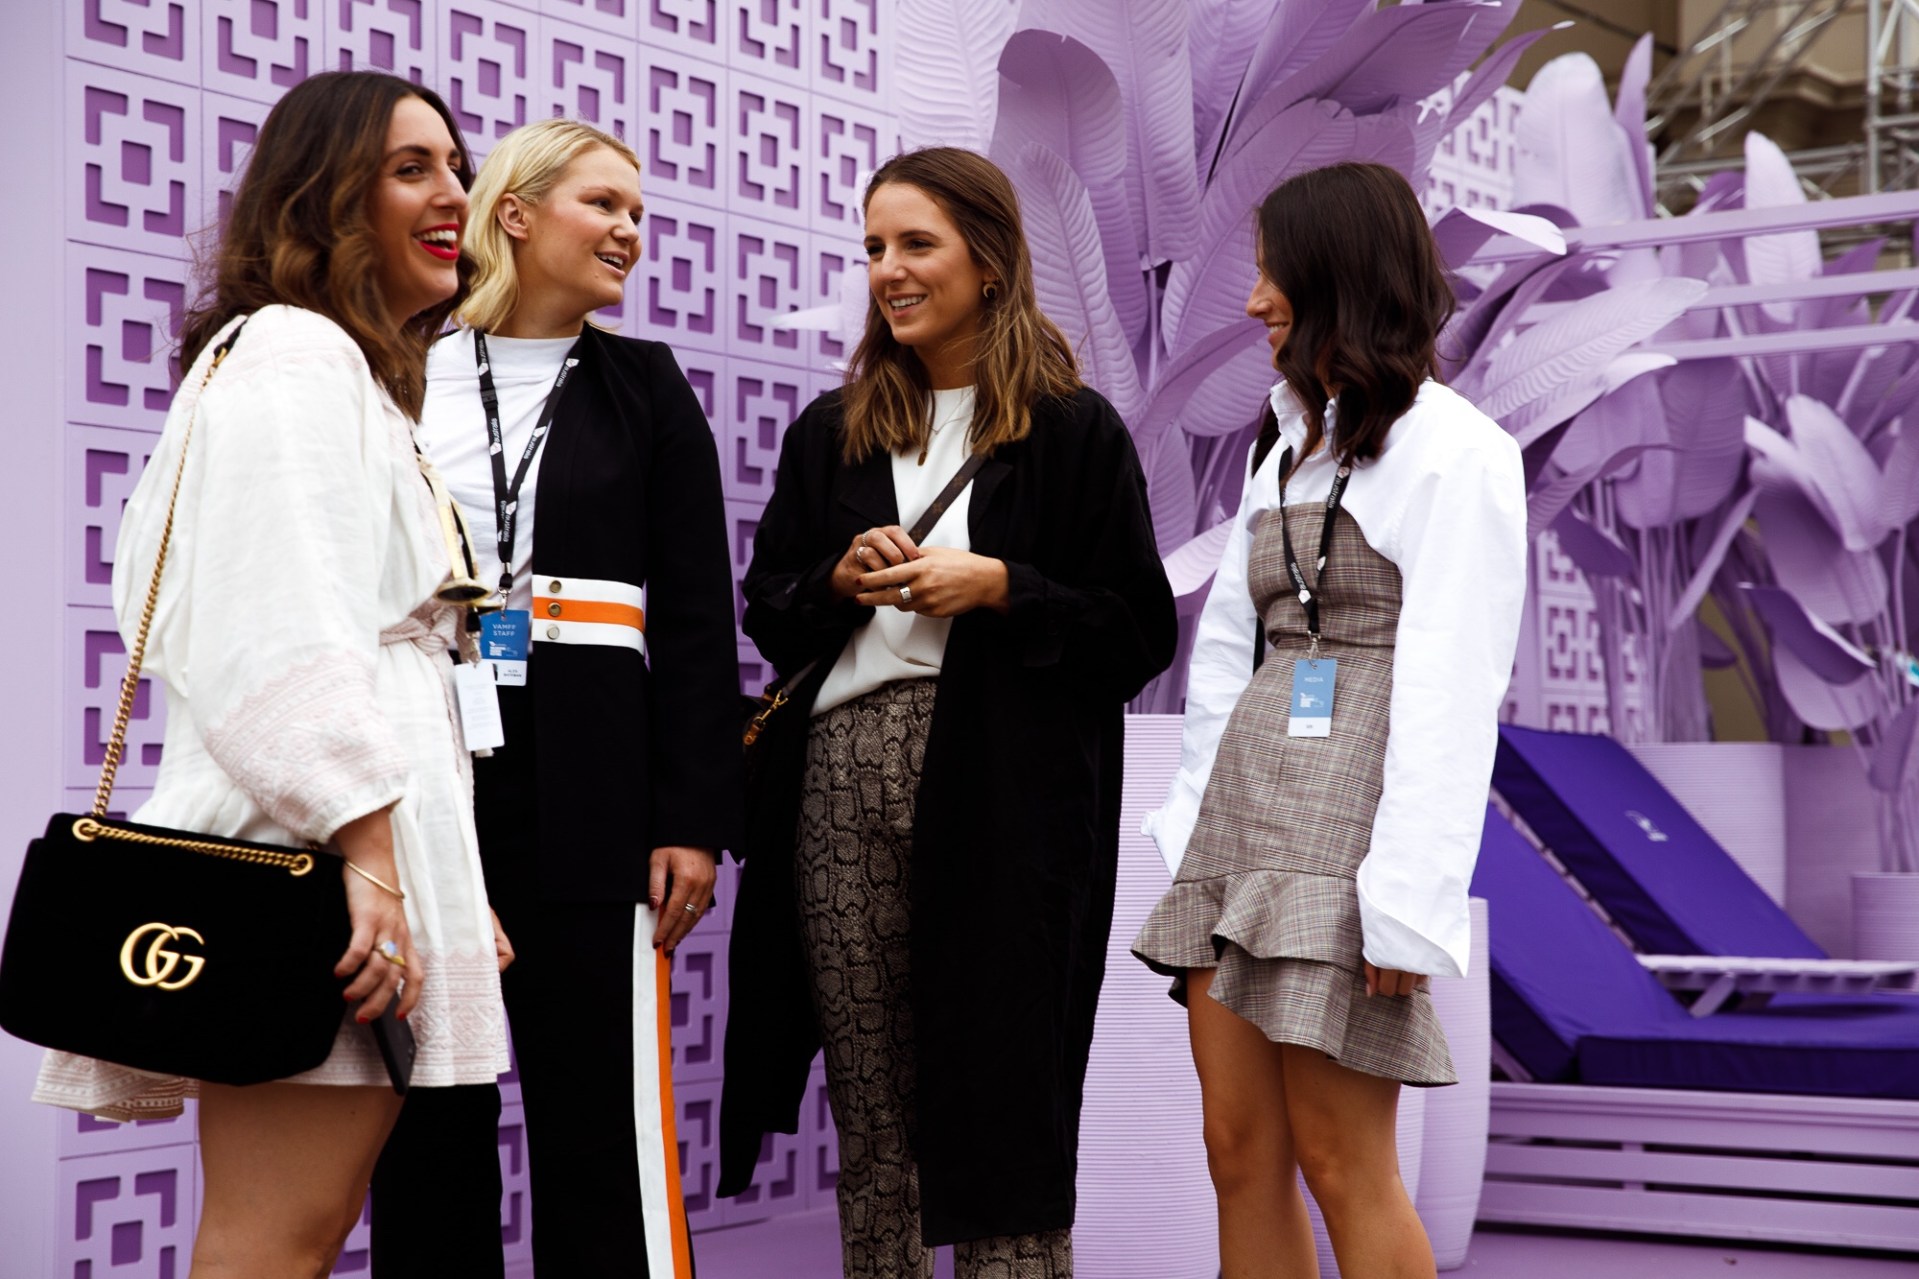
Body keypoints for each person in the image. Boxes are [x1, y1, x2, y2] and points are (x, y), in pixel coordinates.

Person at [30, 71, 511, 1276]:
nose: (454, 194)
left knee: (298, 1232)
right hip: (319, 856)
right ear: (322, 196)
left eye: (456, 167)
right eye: (411, 168)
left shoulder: (339, 371)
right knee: (274, 1241)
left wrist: (437, 875)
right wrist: (374, 855)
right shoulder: (294, 355)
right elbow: (277, 624)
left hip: (355, 845)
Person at [719, 146, 1177, 1279]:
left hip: (1004, 780)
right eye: (874, 247)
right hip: (841, 771)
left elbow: (1135, 632)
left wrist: (1002, 586)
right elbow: (770, 605)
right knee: (871, 1096)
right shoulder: (833, 431)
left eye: (915, 243)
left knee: (1006, 1083)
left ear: (988, 260)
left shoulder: (1071, 432)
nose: (888, 269)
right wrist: (837, 578)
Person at [1132, 161, 1528, 1279]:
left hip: (1348, 843)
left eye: (1274, 274)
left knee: (1342, 1160)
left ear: (1338, 277)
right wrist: (1190, 829)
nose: (1253, 298)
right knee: (1236, 1150)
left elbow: (1452, 692)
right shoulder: (1286, 446)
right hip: (1241, 824)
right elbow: (1228, 653)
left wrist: (1405, 903)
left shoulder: (1457, 450)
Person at [367, 117, 742, 1278]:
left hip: (597, 784)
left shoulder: (644, 385)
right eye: (604, 204)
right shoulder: (401, 368)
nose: (629, 230)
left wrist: (690, 818)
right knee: (430, 1115)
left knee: (599, 1119)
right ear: (517, 214)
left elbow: (697, 617)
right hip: (429, 770)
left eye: (638, 213)